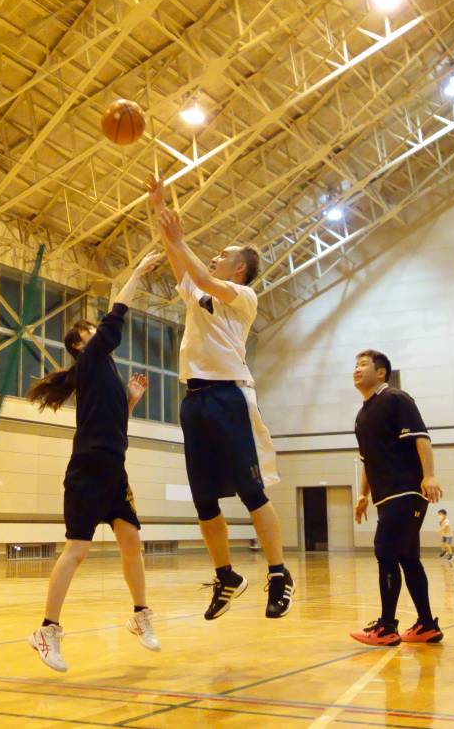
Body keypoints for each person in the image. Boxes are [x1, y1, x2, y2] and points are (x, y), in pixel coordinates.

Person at [146, 176, 293, 621]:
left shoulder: (243, 296)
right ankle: (226, 576)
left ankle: (279, 574)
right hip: (194, 400)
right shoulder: (199, 291)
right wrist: (159, 209)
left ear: (240, 269)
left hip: (229, 397)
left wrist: (180, 240)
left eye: (224, 255)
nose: (215, 257)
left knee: (251, 491)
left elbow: (201, 274)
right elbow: (181, 262)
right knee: (204, 499)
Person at [27, 252, 163, 673]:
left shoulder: (103, 373)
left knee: (131, 543)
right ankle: (46, 630)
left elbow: (109, 422)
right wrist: (136, 273)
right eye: (91, 331)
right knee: (78, 550)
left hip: (114, 470)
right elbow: (117, 312)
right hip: (87, 470)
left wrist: (130, 402)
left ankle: (140, 616)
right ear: (80, 344)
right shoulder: (90, 359)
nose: (98, 332)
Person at [349, 350, 443, 647]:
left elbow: (421, 437)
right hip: (386, 496)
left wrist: (429, 476)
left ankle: (387, 627)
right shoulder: (362, 415)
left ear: (381, 372)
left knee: (386, 551)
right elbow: (367, 460)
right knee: (407, 557)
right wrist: (363, 495)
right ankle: (426, 625)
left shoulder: (396, 399)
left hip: (405, 490)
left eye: (363, 365)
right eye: (355, 365)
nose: (357, 369)